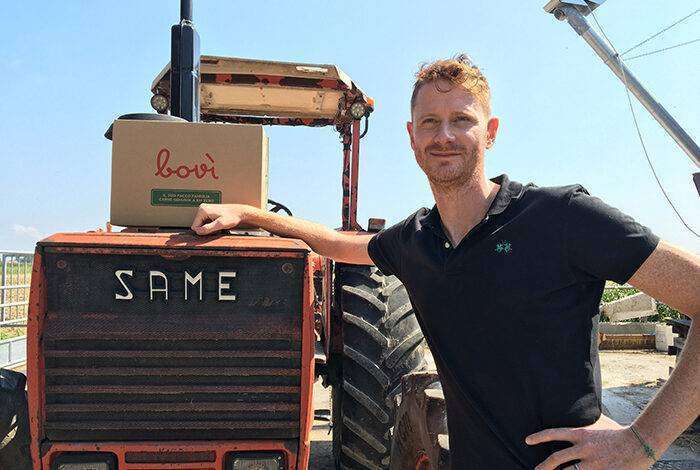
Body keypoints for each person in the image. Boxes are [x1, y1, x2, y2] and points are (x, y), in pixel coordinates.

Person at [191, 55, 700, 470]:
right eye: (431, 123)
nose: (445, 136)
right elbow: (339, 244)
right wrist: (252, 214)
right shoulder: (416, 241)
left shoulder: (562, 217)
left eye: (462, 120)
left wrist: (644, 442)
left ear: (491, 130)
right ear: (411, 135)